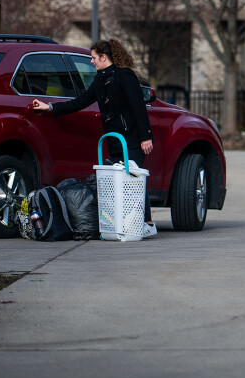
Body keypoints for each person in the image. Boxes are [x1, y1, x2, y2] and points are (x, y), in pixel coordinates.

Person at [31, 39, 157, 237]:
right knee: (124, 182)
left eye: (93, 57)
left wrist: (145, 137)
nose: (92, 61)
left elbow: (138, 107)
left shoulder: (125, 76)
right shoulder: (100, 79)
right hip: (115, 140)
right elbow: (81, 101)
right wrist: (51, 107)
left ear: (104, 57)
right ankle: (128, 224)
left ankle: (147, 223)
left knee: (134, 181)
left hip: (131, 138)